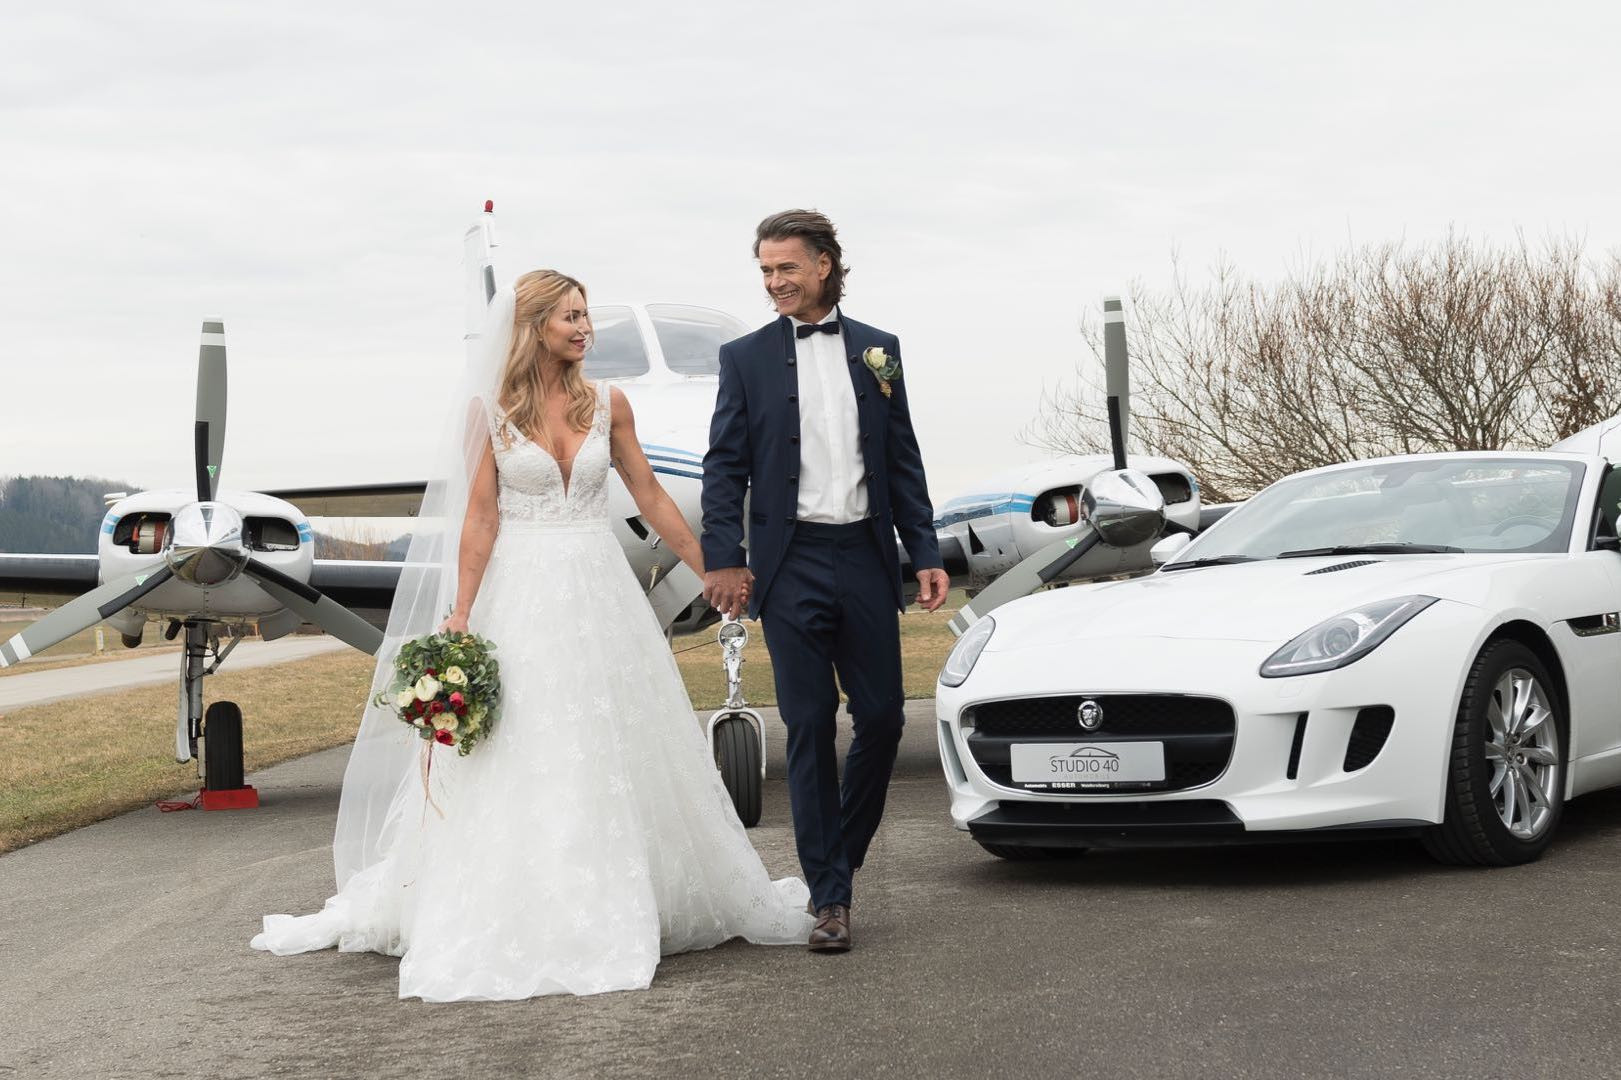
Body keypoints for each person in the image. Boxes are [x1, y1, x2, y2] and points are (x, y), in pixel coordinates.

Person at [251, 270, 814, 1001]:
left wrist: (714, 568)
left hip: (598, 587)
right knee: (526, 738)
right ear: (534, 324)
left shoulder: (609, 402)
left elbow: (646, 491)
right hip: (519, 591)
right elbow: (481, 516)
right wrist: (459, 612)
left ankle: (632, 890)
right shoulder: (488, 412)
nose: (585, 329)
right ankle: (516, 902)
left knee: (610, 733)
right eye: (571, 317)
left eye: (587, 317)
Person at [701, 210, 948, 953]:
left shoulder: (879, 350)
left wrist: (925, 548)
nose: (775, 283)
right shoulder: (743, 358)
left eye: (786, 269)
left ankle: (836, 858)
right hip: (790, 561)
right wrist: (723, 557)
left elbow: (901, 456)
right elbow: (724, 466)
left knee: (880, 719)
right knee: (807, 725)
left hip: (867, 557)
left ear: (824, 265)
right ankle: (830, 897)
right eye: (765, 272)